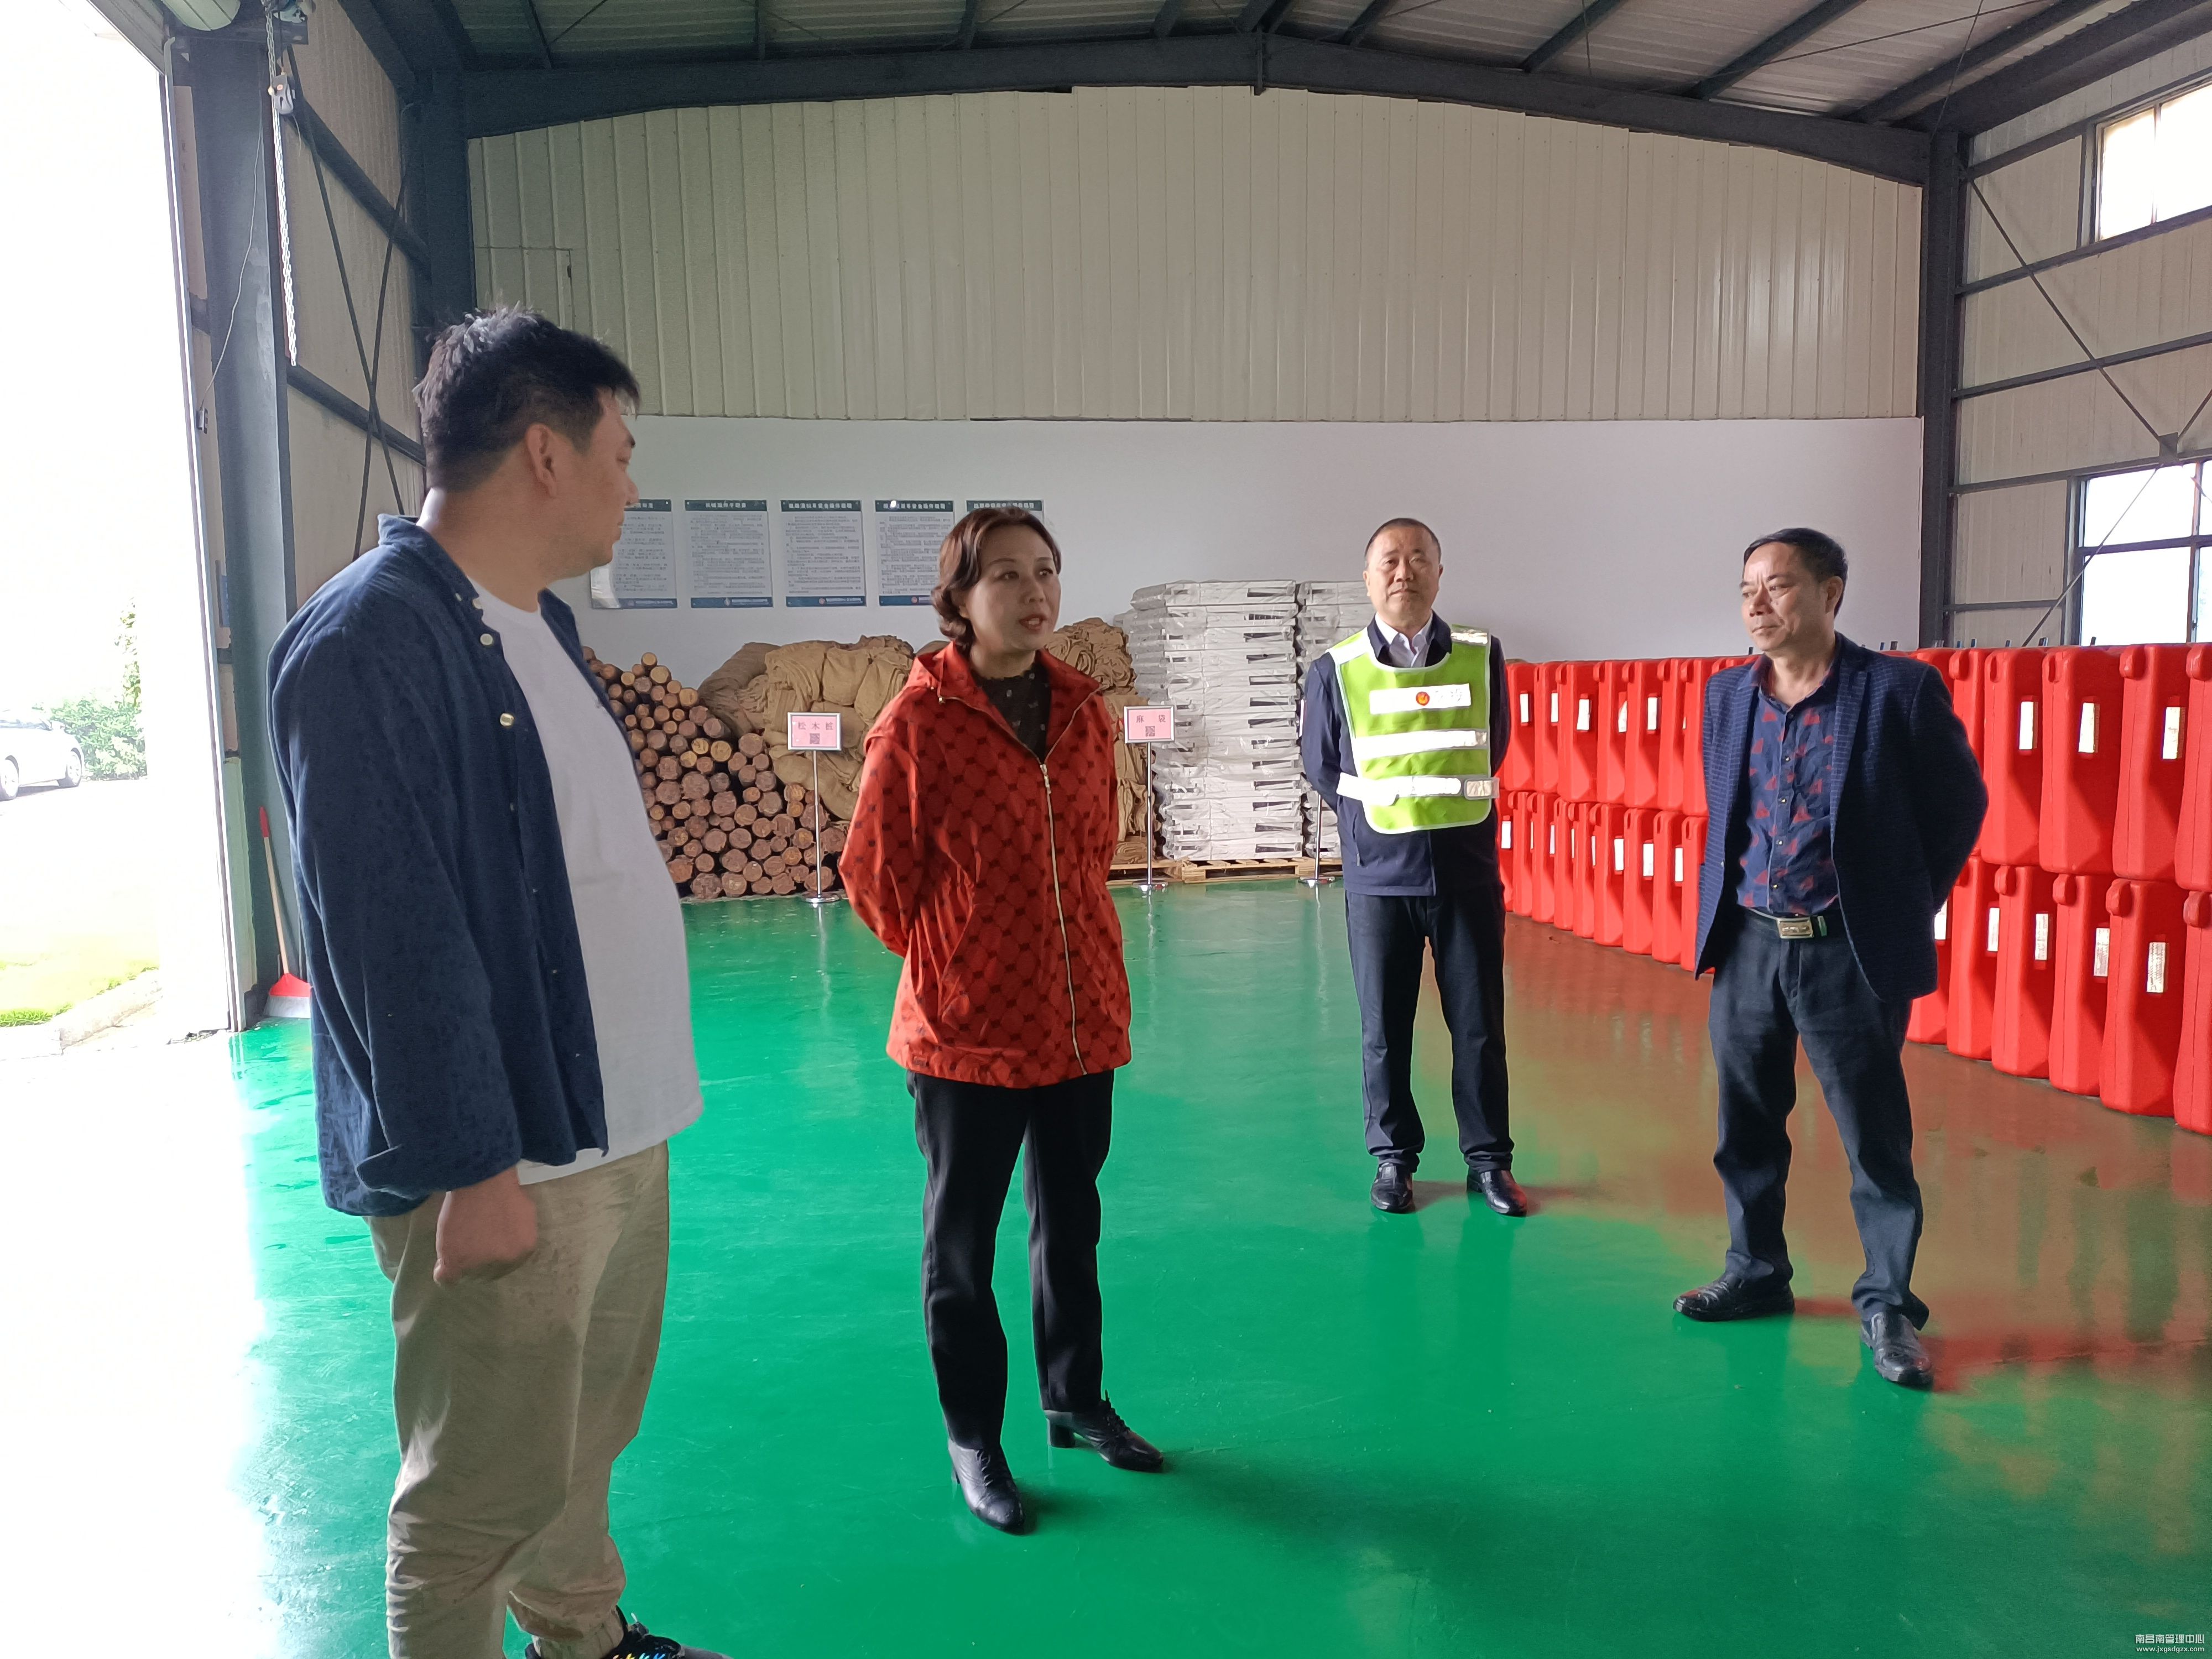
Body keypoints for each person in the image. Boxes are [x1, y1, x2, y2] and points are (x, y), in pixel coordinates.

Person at [269, 307, 724, 1659]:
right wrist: (472, 1167)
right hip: (511, 1152)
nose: (631, 486)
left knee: (579, 1439)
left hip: (613, 1125)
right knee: (475, 1498)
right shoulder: (370, 641)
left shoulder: (536, 625)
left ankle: (583, 1638)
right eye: (620, 454)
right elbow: (387, 931)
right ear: (544, 451)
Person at [841, 507, 1163, 1536]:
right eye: (1008, 576)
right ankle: (974, 1434)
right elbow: (873, 874)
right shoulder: (919, 722)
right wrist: (956, 953)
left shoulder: (1083, 709)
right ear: (961, 597)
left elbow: (1096, 846)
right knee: (963, 1245)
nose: (1034, 593)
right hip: (965, 1032)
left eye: (1046, 572)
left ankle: (1075, 1398)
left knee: (1072, 1221)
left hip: (1078, 1018)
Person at [1678, 529, 1985, 1391]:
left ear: (1831, 593)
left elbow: (1960, 806)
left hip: (1845, 948)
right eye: (1747, 589)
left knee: (1872, 1137)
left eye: (1778, 586)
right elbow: (1728, 812)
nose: (1757, 604)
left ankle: (1888, 1304)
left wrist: (1899, 903)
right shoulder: (1727, 696)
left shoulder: (1896, 692)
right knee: (1745, 1125)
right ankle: (1755, 1271)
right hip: (1747, 942)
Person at [1300, 518, 1526, 1218]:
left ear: (1439, 572)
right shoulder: (1335, 669)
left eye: (1419, 559)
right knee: (1384, 1030)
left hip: (1465, 872)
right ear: (1368, 579)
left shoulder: (1481, 656)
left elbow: (1490, 745)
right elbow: (1322, 765)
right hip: (1380, 877)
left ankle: (1489, 1162)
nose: (1405, 573)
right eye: (1390, 562)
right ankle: (1393, 1158)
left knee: (1479, 1027)